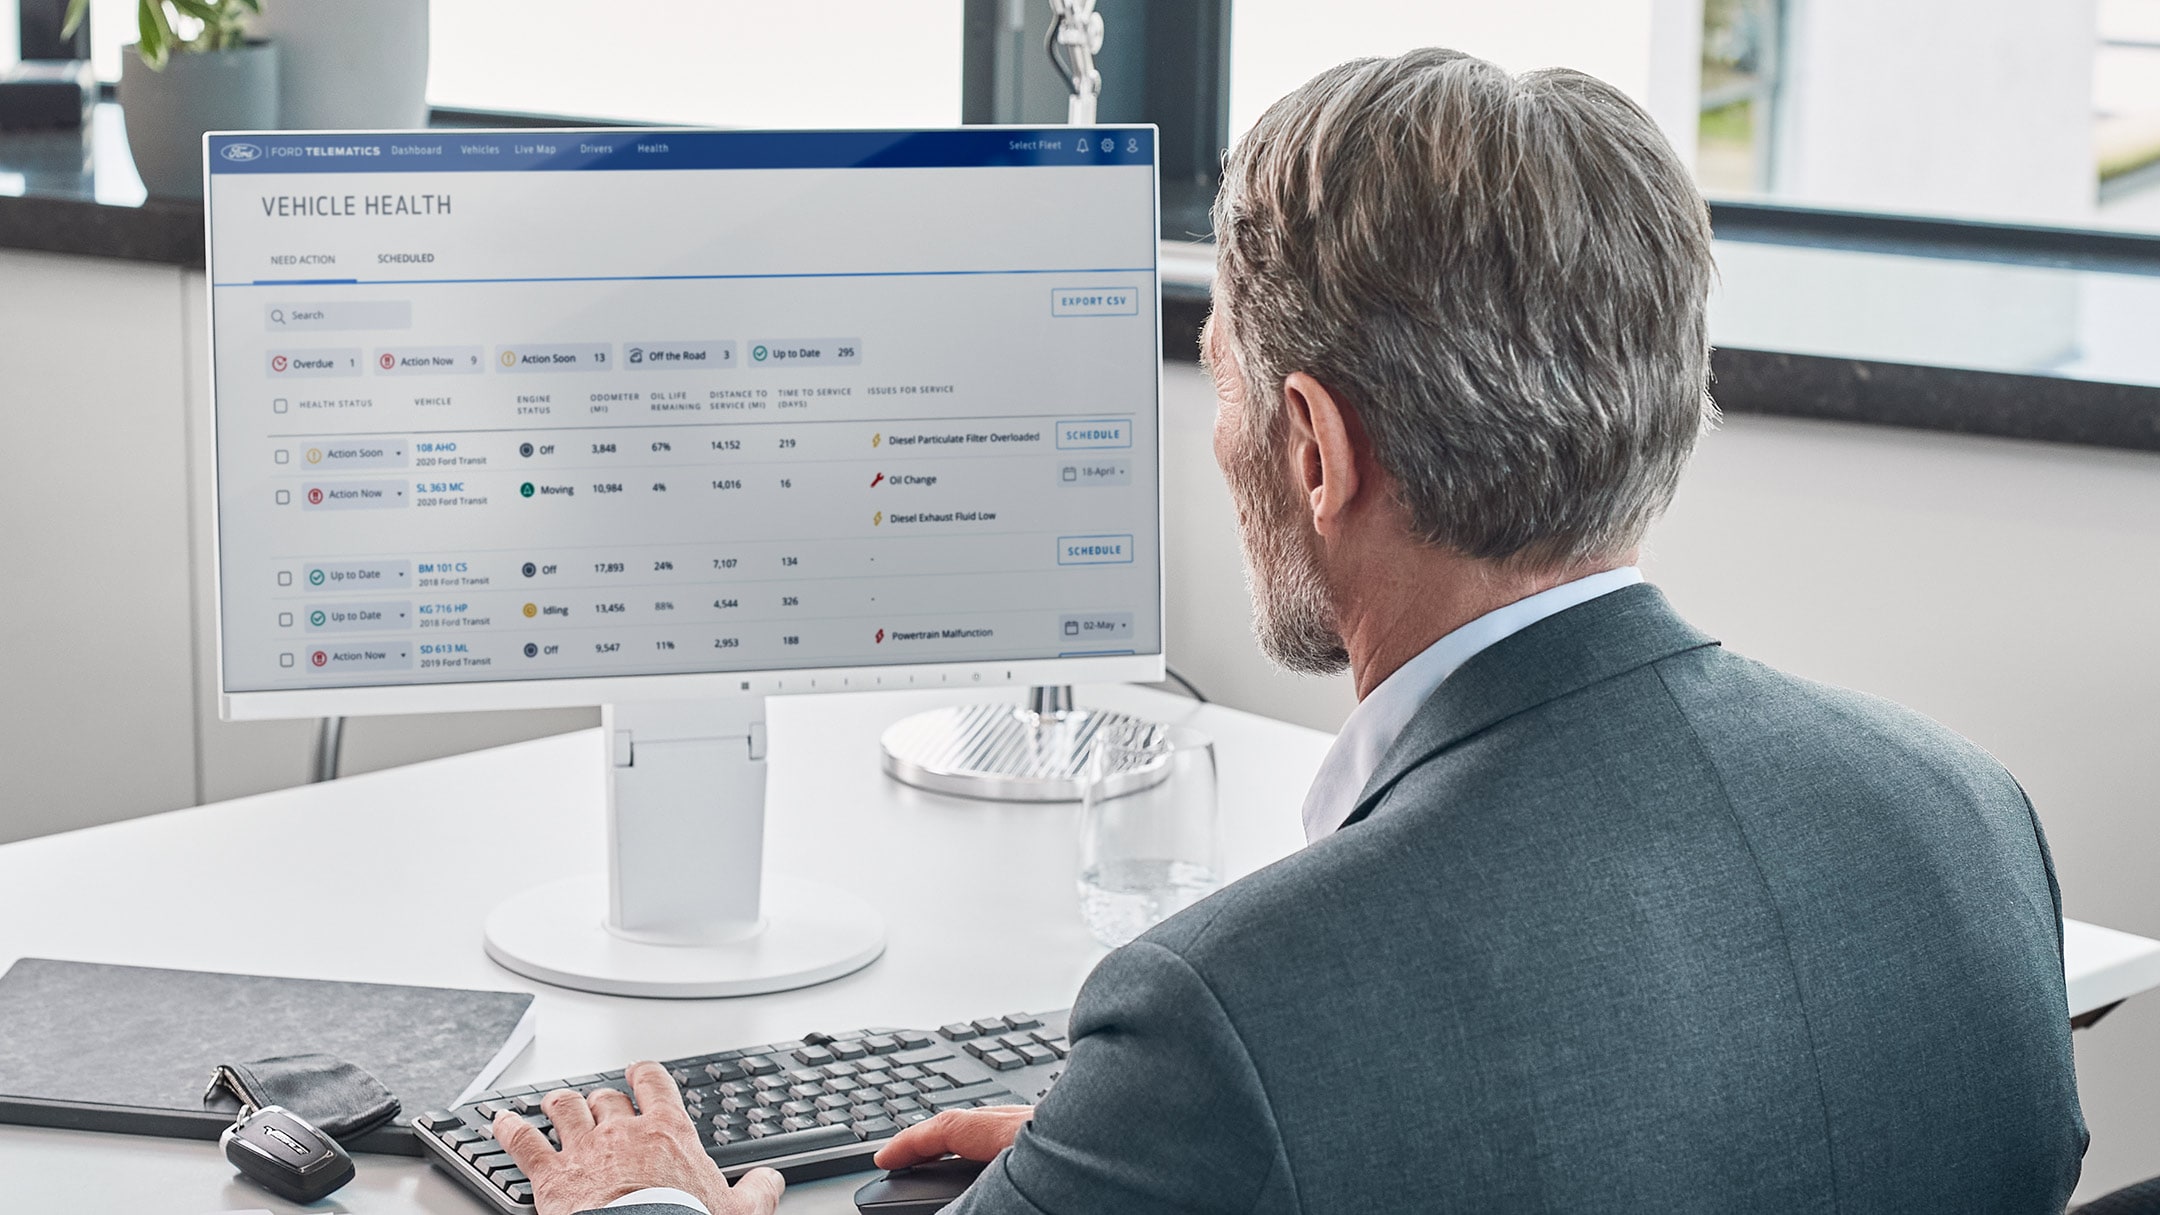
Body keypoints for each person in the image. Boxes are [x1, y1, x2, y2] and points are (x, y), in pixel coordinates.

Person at [493, 47, 2087, 1215]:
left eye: (1226, 374)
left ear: (1315, 448)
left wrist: (655, 1203)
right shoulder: (1960, 816)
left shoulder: (1236, 1010)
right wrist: (1112, 1151)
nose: (1215, 429)